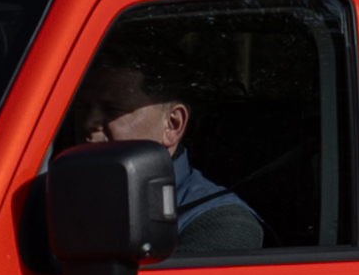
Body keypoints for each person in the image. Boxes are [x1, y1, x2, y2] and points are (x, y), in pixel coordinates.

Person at [60, 58, 264, 255]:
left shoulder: (221, 222)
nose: (88, 122)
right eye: (82, 107)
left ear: (172, 124)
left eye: (113, 110)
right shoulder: (55, 193)